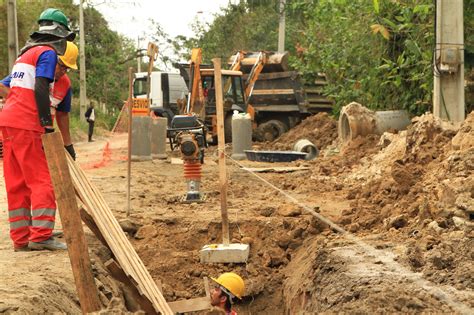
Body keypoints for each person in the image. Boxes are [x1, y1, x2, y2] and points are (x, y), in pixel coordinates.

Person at [0, 8, 75, 252]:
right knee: (43, 180)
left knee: (17, 182)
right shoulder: (47, 52)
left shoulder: (24, 56)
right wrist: (46, 124)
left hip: (9, 122)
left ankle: (20, 239)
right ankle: (41, 235)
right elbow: (41, 87)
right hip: (27, 123)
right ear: (61, 35)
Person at [1, 41, 79, 160]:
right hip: (24, 128)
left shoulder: (65, 84)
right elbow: (2, 86)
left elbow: (62, 115)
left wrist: (68, 144)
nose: (63, 71)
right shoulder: (31, 73)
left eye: (67, 68)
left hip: (44, 134)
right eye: (61, 65)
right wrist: (23, 100)